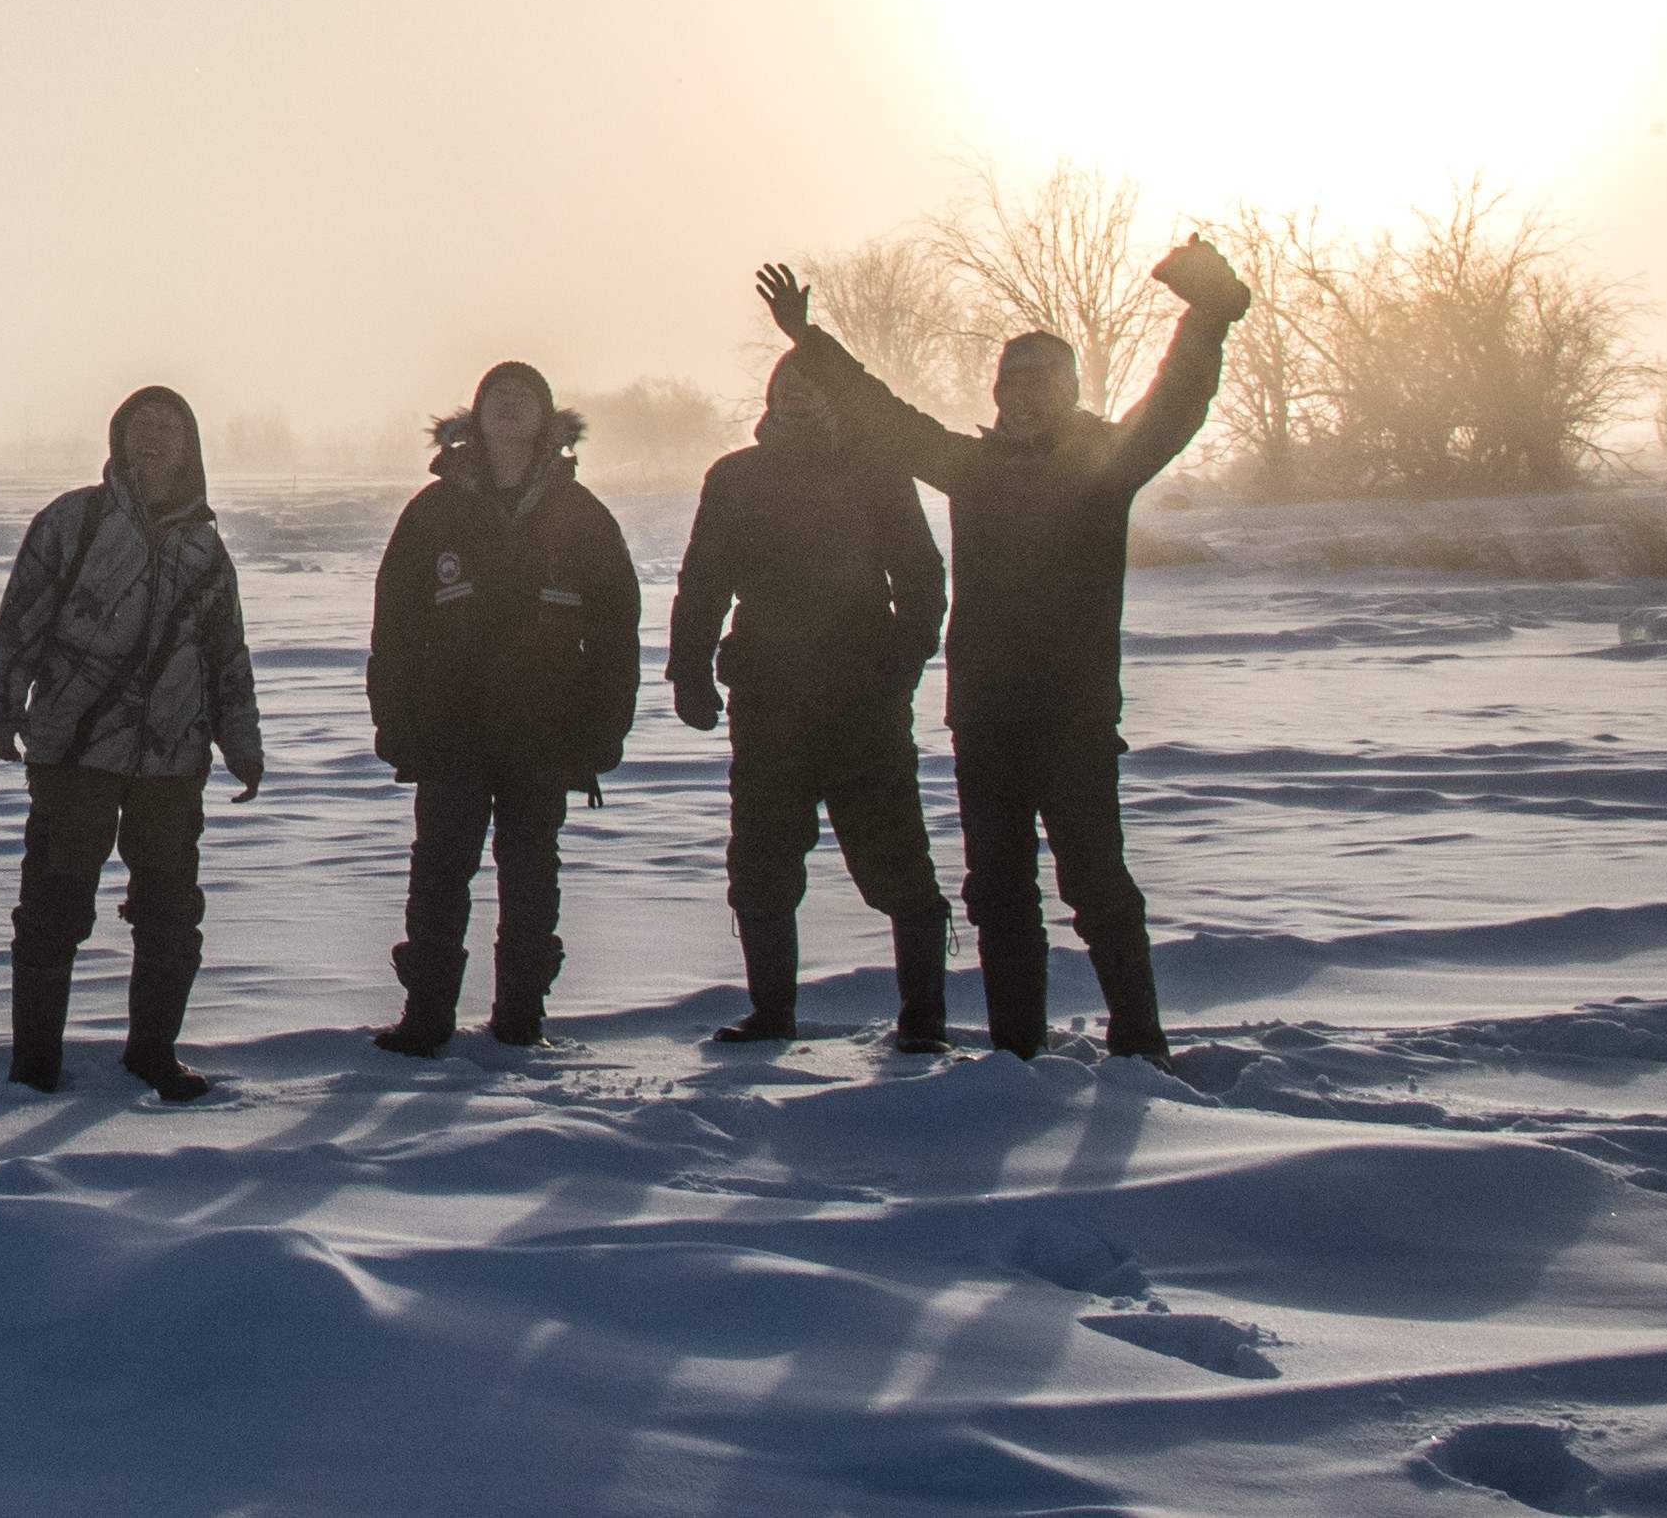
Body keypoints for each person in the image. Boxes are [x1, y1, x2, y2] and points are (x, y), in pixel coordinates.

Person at [759, 237, 1252, 1063]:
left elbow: (1176, 400)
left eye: (1043, 382)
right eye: (1012, 382)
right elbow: (886, 417)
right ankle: (1016, 1051)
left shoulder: (1104, 465)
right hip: (985, 723)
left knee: (1095, 885)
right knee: (996, 895)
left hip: (1075, 721)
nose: (1024, 397)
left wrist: (1206, 315)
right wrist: (809, 341)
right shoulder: (974, 469)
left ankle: (1141, 1039)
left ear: (1070, 392)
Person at [0, 386, 267, 1103]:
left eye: (169, 428)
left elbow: (227, 653)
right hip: (75, 750)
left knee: (170, 909)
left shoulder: (204, 546)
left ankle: (152, 1055)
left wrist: (241, 740)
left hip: (171, 759)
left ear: (189, 447)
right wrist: (1, 707)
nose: (154, 438)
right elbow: (19, 621)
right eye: (141, 425)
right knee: (53, 903)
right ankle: (34, 1063)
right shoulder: (72, 522)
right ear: (118, 438)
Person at [667, 343, 952, 1051]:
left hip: (865, 705)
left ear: (835, 397)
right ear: (771, 395)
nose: (800, 391)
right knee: (761, 865)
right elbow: (702, 581)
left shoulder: (877, 470)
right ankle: (772, 1016)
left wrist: (900, 664)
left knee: (897, 863)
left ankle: (924, 1020)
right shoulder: (735, 477)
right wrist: (689, 672)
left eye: (815, 381)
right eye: (787, 380)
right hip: (768, 703)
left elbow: (921, 574)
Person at [363, 360, 641, 1055]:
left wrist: (604, 729)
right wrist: (395, 720)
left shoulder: (583, 516)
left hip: (545, 729)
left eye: (525, 396)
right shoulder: (434, 510)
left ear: (548, 419)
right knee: (438, 871)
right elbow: (393, 623)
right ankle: (426, 1015)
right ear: (476, 415)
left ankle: (521, 1015)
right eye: (498, 395)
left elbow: (616, 631)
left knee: (531, 874)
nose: (510, 405)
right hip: (450, 728)